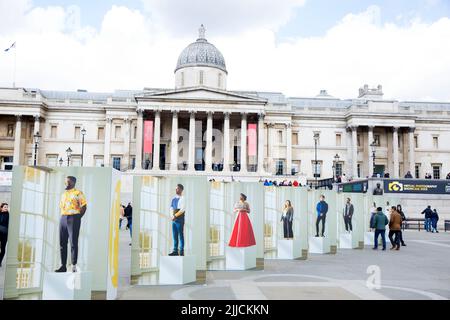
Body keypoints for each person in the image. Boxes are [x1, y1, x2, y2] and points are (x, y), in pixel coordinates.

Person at [55, 176, 87, 273]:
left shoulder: (78, 193)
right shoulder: (63, 194)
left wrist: (77, 217)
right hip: (63, 218)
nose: (65, 183)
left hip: (74, 218)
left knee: (73, 242)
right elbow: (61, 206)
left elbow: (84, 206)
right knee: (62, 243)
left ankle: (73, 265)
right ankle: (63, 266)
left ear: (73, 182)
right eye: (65, 182)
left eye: (67, 182)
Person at [169, 184, 186, 256]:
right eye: (176, 189)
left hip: (180, 219)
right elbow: (171, 208)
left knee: (180, 235)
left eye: (178, 189)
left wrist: (175, 215)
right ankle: (175, 250)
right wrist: (172, 216)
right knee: (174, 235)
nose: (176, 190)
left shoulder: (183, 198)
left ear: (181, 190)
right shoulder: (173, 199)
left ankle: (181, 251)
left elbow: (182, 209)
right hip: (174, 219)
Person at [0, 203, 9, 267]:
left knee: (3, 249)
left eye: (7, 207)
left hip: (4, 234)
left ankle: (0, 261)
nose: (6, 208)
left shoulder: (8, 215)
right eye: (5, 207)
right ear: (2, 208)